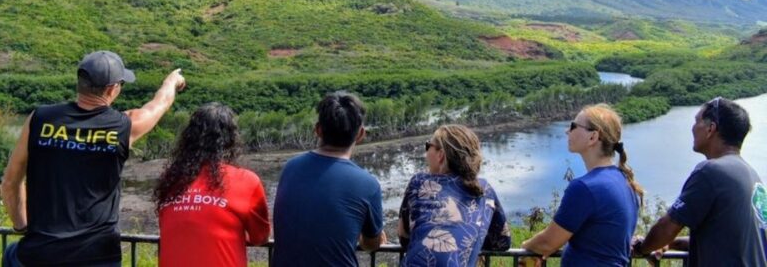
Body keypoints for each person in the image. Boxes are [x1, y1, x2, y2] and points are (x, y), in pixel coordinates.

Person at [1, 50, 187, 267]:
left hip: (40, 254)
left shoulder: (40, 118)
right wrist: (171, 81)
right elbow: (159, 105)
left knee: (12, 253)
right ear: (111, 89)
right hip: (97, 256)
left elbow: (10, 182)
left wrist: (22, 225)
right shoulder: (122, 126)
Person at [632, 97, 767, 266]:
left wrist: (641, 248)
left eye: (697, 121)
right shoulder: (753, 178)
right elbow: (728, 243)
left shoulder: (711, 171)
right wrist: (672, 243)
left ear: (711, 129)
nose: (693, 128)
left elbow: (667, 227)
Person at [272, 91, 386, 267]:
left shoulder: (291, 168)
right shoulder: (367, 184)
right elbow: (372, 244)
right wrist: (368, 239)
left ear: (318, 130)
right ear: (360, 134)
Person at [520, 104, 642, 267]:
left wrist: (526, 247)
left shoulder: (585, 188)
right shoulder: (625, 181)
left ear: (593, 137)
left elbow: (548, 243)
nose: (567, 131)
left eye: (573, 126)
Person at [155, 102, 270, 267]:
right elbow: (260, 238)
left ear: (188, 138)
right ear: (230, 139)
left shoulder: (170, 180)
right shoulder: (246, 180)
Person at [398, 124, 511, 267]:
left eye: (428, 146)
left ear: (441, 155)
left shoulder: (419, 182)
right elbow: (502, 241)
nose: (425, 152)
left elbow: (404, 237)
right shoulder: (484, 189)